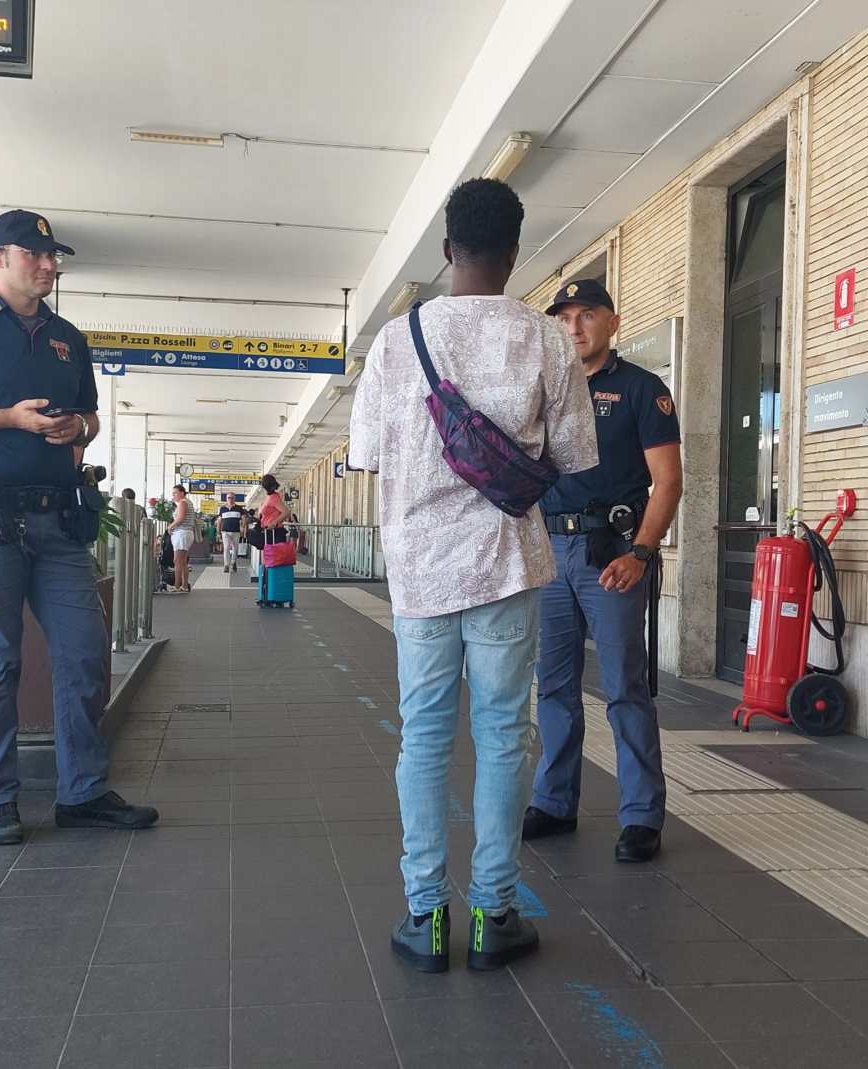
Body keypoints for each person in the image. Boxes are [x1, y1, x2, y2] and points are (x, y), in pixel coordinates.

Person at [349, 178, 598, 973]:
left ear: (447, 249)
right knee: (502, 735)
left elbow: (366, 455)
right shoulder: (548, 338)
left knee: (423, 736)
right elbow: (576, 456)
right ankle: (494, 913)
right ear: (514, 253)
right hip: (506, 567)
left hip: (421, 574)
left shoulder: (397, 340)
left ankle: (425, 916)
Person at [0, 208, 159, 845]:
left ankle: (83, 792)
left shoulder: (67, 337)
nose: (49, 266)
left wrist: (78, 428)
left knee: (85, 653)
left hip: (58, 521)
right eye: (34, 255)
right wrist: (9, 418)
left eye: (53, 257)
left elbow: (90, 419)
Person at [524, 279, 683, 863]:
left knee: (624, 687)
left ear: (612, 323)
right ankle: (554, 801)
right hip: (549, 553)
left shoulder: (642, 389)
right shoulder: (543, 391)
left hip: (612, 554)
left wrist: (640, 553)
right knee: (554, 686)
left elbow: (669, 482)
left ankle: (641, 815)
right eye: (563, 318)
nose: (574, 328)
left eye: (586, 315)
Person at [166, 484, 195, 592]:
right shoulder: (187, 502)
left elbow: (180, 518)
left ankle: (177, 586)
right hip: (185, 533)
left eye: (175, 493)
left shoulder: (183, 502)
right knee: (182, 562)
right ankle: (184, 585)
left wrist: (170, 526)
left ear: (182, 493)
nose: (173, 495)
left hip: (182, 533)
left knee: (177, 561)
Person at [216, 493, 247, 573]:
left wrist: (242, 527)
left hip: (236, 531)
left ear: (234, 499)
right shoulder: (222, 509)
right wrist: (218, 532)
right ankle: (226, 565)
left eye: (232, 498)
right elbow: (219, 521)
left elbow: (244, 518)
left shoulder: (239, 508)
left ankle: (233, 563)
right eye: (228, 498)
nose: (230, 499)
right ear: (226, 499)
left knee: (235, 548)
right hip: (225, 532)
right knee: (226, 548)